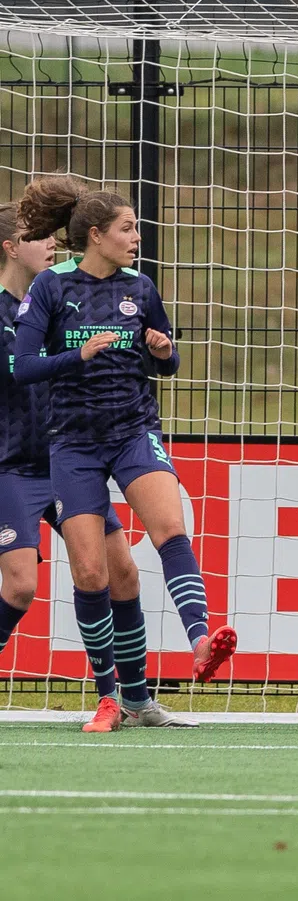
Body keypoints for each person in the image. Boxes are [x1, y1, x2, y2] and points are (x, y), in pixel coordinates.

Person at [14, 177, 237, 725]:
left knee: (171, 530)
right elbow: (22, 366)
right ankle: (110, 696)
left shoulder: (141, 286)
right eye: (127, 228)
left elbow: (166, 359)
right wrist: (78, 356)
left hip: (134, 431)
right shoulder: (51, 286)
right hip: (72, 444)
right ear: (96, 235)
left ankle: (202, 640)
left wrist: (163, 352)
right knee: (92, 574)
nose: (137, 236)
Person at [0, 203, 145, 731]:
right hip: (11, 466)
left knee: (120, 571)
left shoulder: (60, 298)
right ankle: (113, 697)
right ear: (11, 249)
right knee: (20, 586)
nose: (50, 245)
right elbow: (22, 373)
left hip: (66, 460)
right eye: (37, 238)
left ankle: (129, 698)